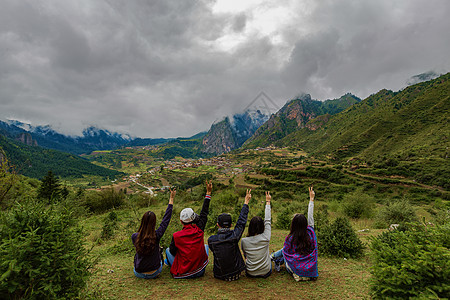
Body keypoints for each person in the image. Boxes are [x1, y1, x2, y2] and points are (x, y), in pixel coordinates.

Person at [165, 180, 212, 279]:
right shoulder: (199, 229)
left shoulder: (176, 236)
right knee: (205, 246)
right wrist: (208, 193)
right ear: (194, 218)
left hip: (184, 271)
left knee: (168, 250)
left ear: (181, 221)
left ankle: (167, 264)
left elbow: (173, 252)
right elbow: (204, 213)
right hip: (200, 270)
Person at [271, 186, 318, 281]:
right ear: (305, 224)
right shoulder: (311, 233)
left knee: (284, 252)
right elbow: (311, 218)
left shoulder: (290, 238)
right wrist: (311, 199)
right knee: (285, 252)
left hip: (295, 269)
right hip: (310, 270)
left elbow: (285, 251)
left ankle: (273, 257)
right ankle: (274, 257)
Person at [208, 189, 251, 281]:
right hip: (236, 273)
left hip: (219, 274)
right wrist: (246, 203)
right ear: (231, 225)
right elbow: (241, 222)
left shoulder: (211, 240)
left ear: (217, 224)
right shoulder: (235, 235)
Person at [131, 188, 175, 279]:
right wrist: (171, 199)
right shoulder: (156, 235)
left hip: (139, 273)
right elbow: (165, 221)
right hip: (155, 272)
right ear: (154, 223)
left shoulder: (135, 237)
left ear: (142, 221)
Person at [241, 191, 272, 278]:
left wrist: (246, 202)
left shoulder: (244, 241)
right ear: (263, 227)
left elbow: (245, 255)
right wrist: (268, 202)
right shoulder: (266, 237)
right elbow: (268, 220)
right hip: (266, 271)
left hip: (250, 272)